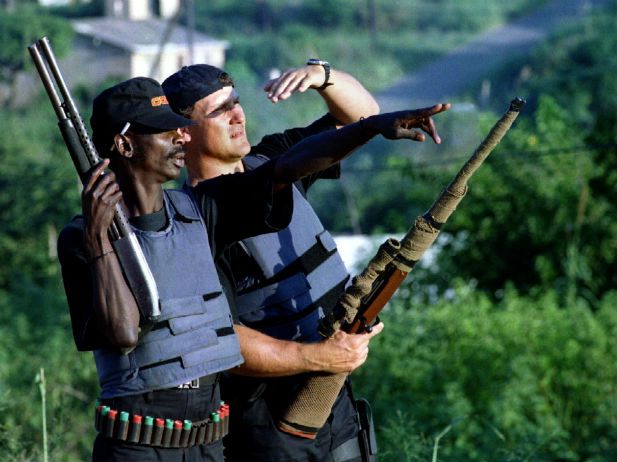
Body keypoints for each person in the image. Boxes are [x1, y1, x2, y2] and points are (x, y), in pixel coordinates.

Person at [56, 76, 404, 462]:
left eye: (179, 126)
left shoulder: (198, 209)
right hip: (138, 445)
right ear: (124, 145)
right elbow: (122, 332)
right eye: (163, 130)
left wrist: (370, 126)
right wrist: (100, 238)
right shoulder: (81, 237)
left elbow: (287, 165)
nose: (180, 138)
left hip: (208, 443)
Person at [162, 62, 450, 462]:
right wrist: (318, 357)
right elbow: (218, 340)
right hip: (270, 422)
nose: (238, 115)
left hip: (335, 399)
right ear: (183, 133)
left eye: (238, 103)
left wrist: (324, 76)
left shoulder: (272, 159)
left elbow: (361, 115)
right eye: (219, 111)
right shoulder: (189, 224)